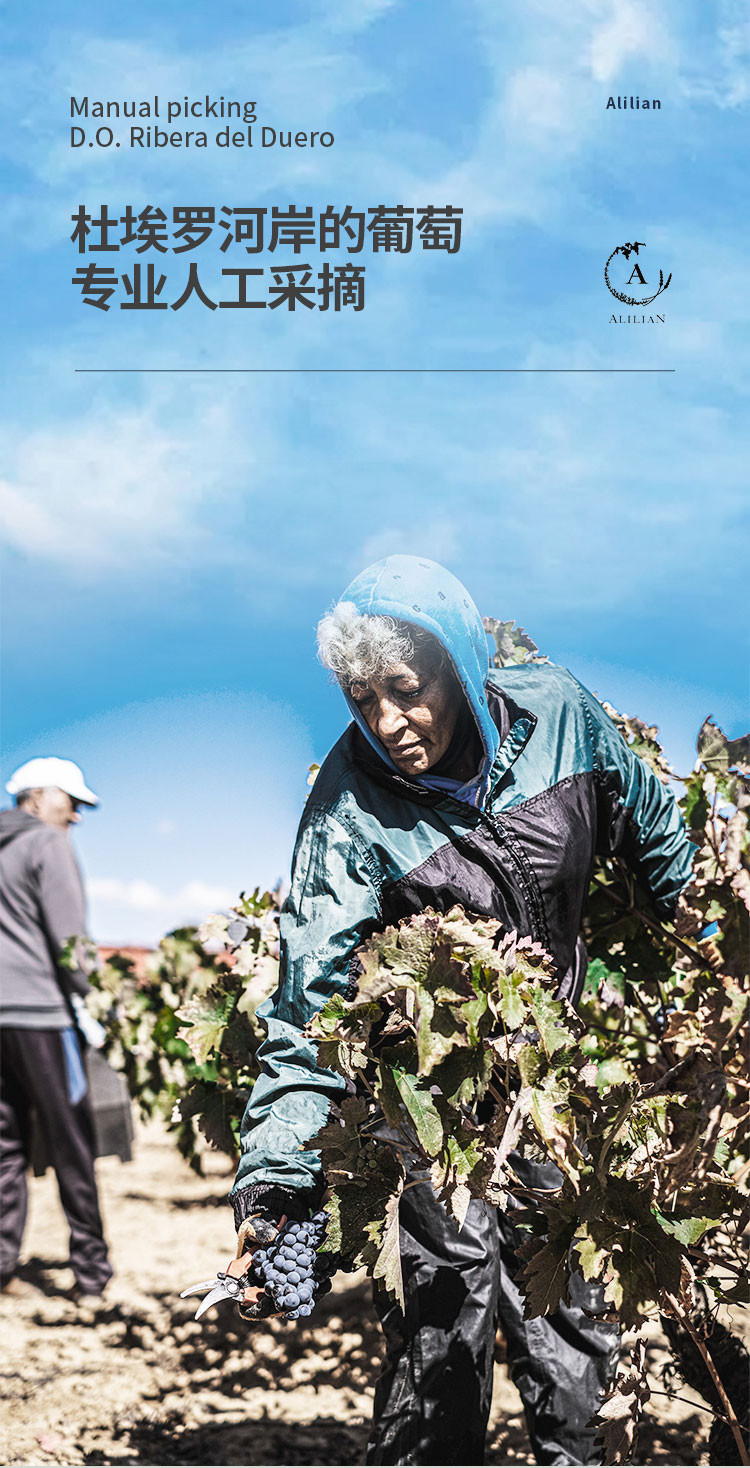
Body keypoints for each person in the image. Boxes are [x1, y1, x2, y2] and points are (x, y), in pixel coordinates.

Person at [227, 556, 695, 1465]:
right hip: (431, 1108)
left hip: (557, 1090)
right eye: (363, 700)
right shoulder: (345, 808)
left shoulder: (559, 712)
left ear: (460, 670)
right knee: (442, 1323)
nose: (388, 723)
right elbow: (308, 1006)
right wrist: (279, 1178)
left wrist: (711, 952)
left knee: (573, 1334)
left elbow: (660, 839)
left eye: (405, 691)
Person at [0, 757, 112, 1298]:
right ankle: (90, 1274)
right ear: (40, 797)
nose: (77, 817)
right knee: (72, 1141)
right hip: (39, 1014)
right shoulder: (48, 843)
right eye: (73, 802)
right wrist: (100, 1000)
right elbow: (71, 945)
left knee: (4, 1146)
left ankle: (1, 1266)